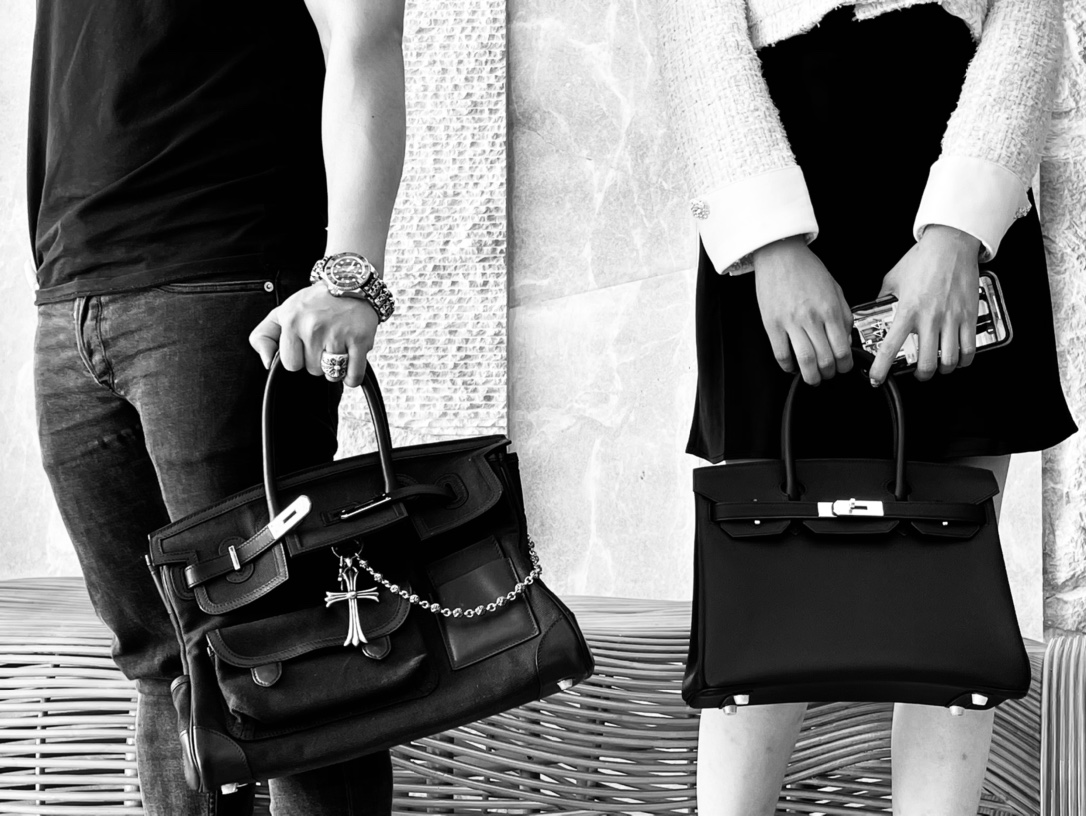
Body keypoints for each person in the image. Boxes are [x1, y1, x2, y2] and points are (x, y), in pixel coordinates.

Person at [659, 0, 1076, 813]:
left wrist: (959, 231)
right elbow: (693, 27)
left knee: (948, 591)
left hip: (956, 185)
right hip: (780, 185)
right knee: (763, 582)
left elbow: (1029, 16)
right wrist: (770, 244)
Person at [29, 0, 407, 813]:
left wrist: (352, 275)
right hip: (71, 294)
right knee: (164, 660)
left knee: (289, 650)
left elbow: (365, 30)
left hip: (227, 282)